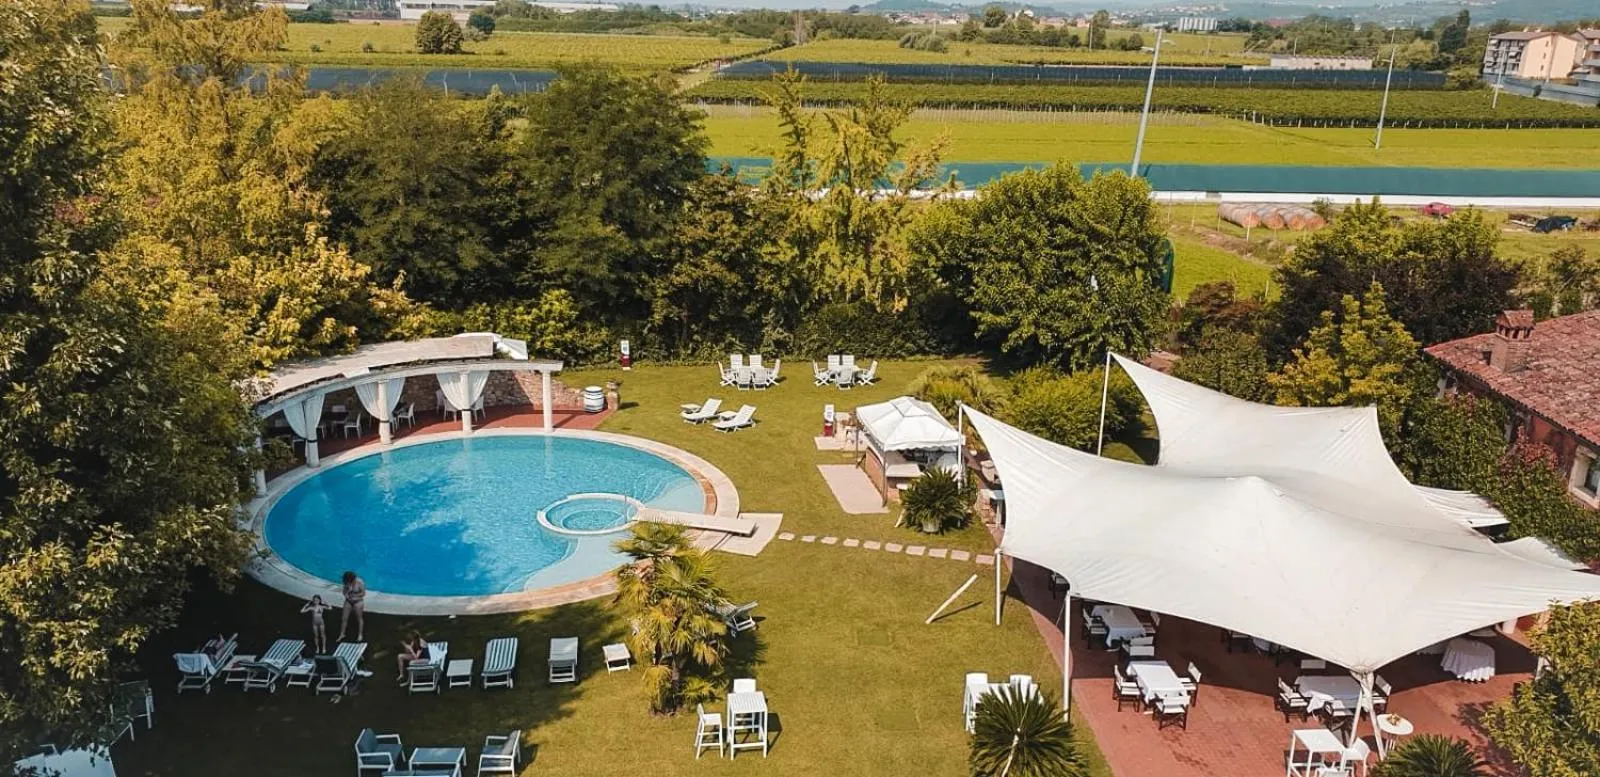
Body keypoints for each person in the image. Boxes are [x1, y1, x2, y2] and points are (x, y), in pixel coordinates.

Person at [336, 571, 366, 643]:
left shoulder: (360, 582)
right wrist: (346, 594)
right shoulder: (347, 583)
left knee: (359, 618)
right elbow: (344, 591)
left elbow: (363, 593)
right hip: (349, 600)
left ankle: (360, 634)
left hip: (358, 600)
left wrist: (355, 597)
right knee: (344, 618)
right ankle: (342, 634)